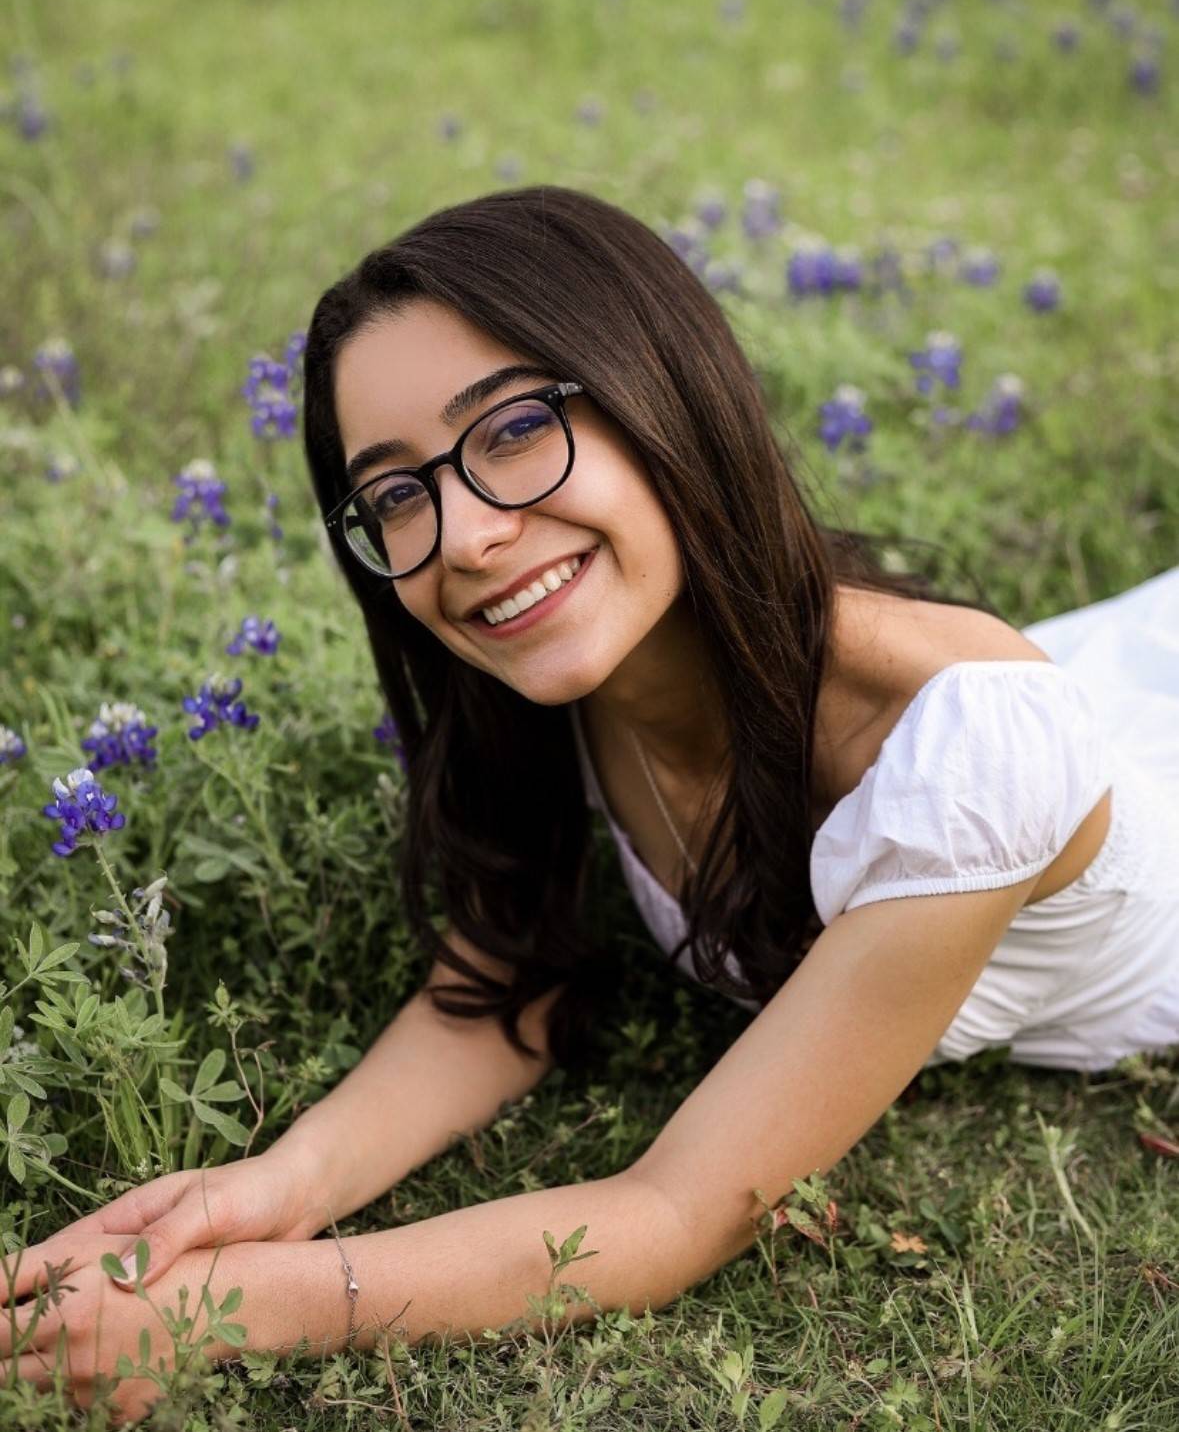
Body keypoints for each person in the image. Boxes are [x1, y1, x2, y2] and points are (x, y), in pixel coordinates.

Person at [4, 186, 1177, 1416]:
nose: (462, 535)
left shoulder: (974, 745)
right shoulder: (577, 674)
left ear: (661, 395)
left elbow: (672, 1213)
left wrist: (225, 1308)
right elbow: (510, 986)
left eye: (511, 429)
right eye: (396, 495)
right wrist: (274, 1187)